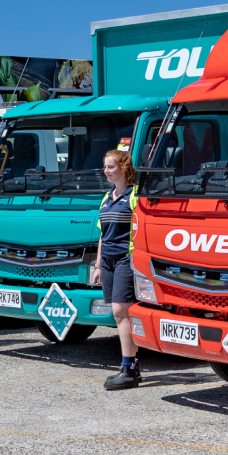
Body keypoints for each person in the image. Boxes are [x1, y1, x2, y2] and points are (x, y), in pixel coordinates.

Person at [93, 150, 140, 390]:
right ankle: (129, 365)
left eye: (110, 167)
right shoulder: (107, 197)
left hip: (125, 259)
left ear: (123, 168)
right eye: (105, 166)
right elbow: (103, 234)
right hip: (109, 261)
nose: (106, 171)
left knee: (122, 311)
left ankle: (128, 368)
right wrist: (98, 264)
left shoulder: (135, 195)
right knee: (117, 313)